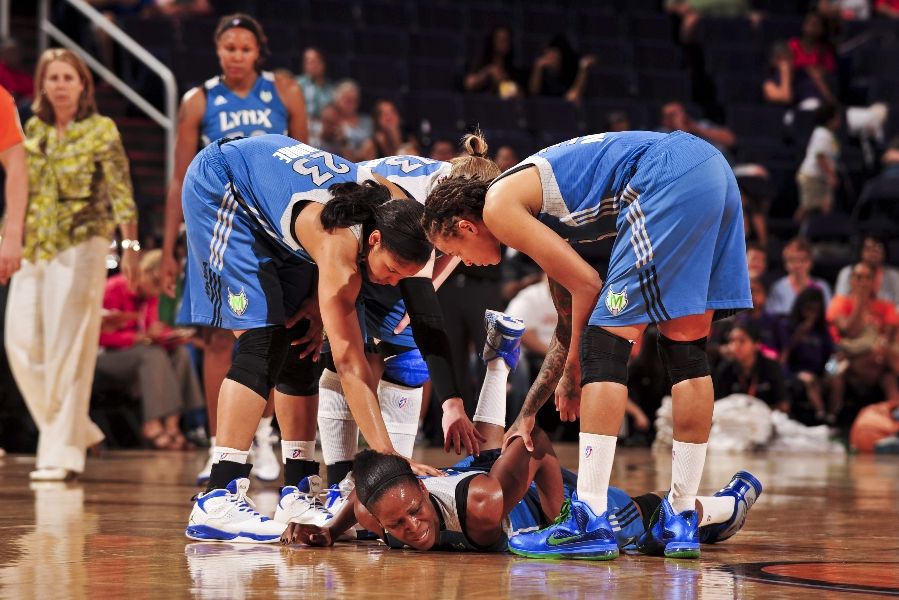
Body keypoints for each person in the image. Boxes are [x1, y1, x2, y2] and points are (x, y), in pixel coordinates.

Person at [422, 130, 752, 560]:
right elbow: (565, 325)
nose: (465, 263)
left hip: (667, 174)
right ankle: (681, 516)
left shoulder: (498, 206)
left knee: (602, 344)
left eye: (455, 251)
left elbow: (588, 286)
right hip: (712, 170)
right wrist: (528, 412)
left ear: (466, 226)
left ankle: (588, 518)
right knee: (685, 351)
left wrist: (577, 367)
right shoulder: (537, 209)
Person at [182, 134, 439, 543]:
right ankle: (218, 496)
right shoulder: (338, 250)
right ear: (374, 240)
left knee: (303, 340)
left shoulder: (393, 208)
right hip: (224, 183)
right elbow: (352, 366)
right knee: (262, 341)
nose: (391, 283)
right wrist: (392, 458)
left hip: (276, 205)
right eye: (391, 270)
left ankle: (299, 489)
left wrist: (317, 306)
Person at [159, 13, 309, 486]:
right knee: (219, 336)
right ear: (218, 51)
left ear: (257, 52)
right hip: (218, 222)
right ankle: (219, 441)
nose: (237, 56)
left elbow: (302, 162)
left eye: (245, 48)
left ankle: (261, 433)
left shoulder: (284, 90)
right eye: (229, 48)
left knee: (268, 331)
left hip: (272, 224)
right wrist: (167, 249)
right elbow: (180, 178)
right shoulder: (198, 100)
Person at [317, 134, 504, 491]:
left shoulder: (453, 200)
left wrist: (427, 289)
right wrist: (452, 402)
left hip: (390, 251)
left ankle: (394, 482)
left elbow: (450, 254)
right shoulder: (417, 212)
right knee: (341, 353)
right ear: (465, 216)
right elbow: (427, 315)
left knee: (411, 359)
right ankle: (339, 484)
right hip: (352, 244)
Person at [283, 432, 762, 554]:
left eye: (414, 512)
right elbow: (357, 502)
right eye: (397, 525)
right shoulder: (375, 512)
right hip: (488, 476)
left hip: (541, 493)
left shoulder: (483, 505)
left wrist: (563, 522)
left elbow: (538, 446)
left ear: (423, 492)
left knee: (647, 524)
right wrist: (327, 531)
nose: (413, 528)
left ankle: (731, 501)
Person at [5, 48, 139, 481]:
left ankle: (61, 454)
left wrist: (131, 247)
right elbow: (19, 188)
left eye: (68, 77)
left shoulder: (102, 130)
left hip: (84, 243)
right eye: (52, 77)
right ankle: (78, 429)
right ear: (42, 84)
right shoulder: (33, 129)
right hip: (36, 244)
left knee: (68, 348)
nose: (60, 84)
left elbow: (122, 192)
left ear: (83, 84)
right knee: (19, 344)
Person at [96, 249, 204, 450]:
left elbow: (151, 332)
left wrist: (170, 336)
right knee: (152, 354)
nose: (157, 291)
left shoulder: (149, 297)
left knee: (179, 352)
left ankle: (172, 425)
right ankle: (152, 424)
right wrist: (140, 337)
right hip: (104, 357)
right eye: (155, 283)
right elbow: (97, 336)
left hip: (135, 354)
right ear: (143, 272)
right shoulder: (112, 289)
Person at [776, 287, 835, 423]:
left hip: (820, 371)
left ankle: (833, 417)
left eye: (815, 311)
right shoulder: (786, 325)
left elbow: (833, 354)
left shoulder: (821, 330)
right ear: (800, 308)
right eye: (808, 309)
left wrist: (830, 371)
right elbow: (784, 355)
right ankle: (821, 415)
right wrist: (799, 334)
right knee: (809, 380)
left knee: (837, 378)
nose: (811, 315)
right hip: (794, 371)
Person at [714, 322, 789, 412]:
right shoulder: (725, 368)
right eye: (732, 340)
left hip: (765, 418)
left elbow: (784, 404)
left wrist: (756, 412)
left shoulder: (771, 366)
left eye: (742, 341)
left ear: (757, 344)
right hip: (734, 420)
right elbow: (716, 403)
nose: (735, 346)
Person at [795, 103, 841, 222]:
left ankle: (820, 234)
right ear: (830, 119)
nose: (839, 120)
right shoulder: (822, 134)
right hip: (812, 176)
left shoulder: (829, 135)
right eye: (837, 117)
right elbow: (820, 157)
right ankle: (798, 234)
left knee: (825, 207)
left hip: (820, 178)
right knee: (808, 208)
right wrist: (831, 175)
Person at [766, 237, 833, 316]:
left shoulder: (822, 286)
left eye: (802, 260)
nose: (798, 265)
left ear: (810, 262)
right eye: (792, 260)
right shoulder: (778, 287)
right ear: (785, 264)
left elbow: (828, 315)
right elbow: (773, 317)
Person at [528, 34, 594, 104]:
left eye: (554, 53)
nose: (550, 57)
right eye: (547, 53)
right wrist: (537, 69)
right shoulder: (543, 70)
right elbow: (533, 92)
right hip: (545, 107)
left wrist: (583, 71)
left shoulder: (569, 69)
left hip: (565, 108)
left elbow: (573, 96)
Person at [835, 235, 899, 306]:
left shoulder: (893, 275)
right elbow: (839, 303)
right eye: (868, 249)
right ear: (861, 251)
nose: (873, 253)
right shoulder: (847, 272)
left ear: (884, 253)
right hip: (853, 314)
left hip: (885, 315)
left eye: (878, 249)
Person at [463, 25, 524, 99]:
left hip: (502, 106)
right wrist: (488, 72)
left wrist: (503, 83)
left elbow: (519, 95)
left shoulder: (511, 68)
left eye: (506, 40)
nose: (503, 43)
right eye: (500, 39)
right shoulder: (481, 63)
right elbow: (469, 84)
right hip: (480, 104)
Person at [332, 80, 372, 162]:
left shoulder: (367, 121)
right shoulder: (332, 122)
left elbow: (370, 147)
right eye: (347, 101)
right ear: (337, 101)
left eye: (354, 100)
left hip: (365, 164)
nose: (351, 104)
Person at [296, 47, 335, 124]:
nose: (312, 65)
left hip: (324, 128)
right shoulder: (296, 84)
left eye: (315, 61)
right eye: (308, 62)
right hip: (302, 125)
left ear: (323, 63)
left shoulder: (331, 88)